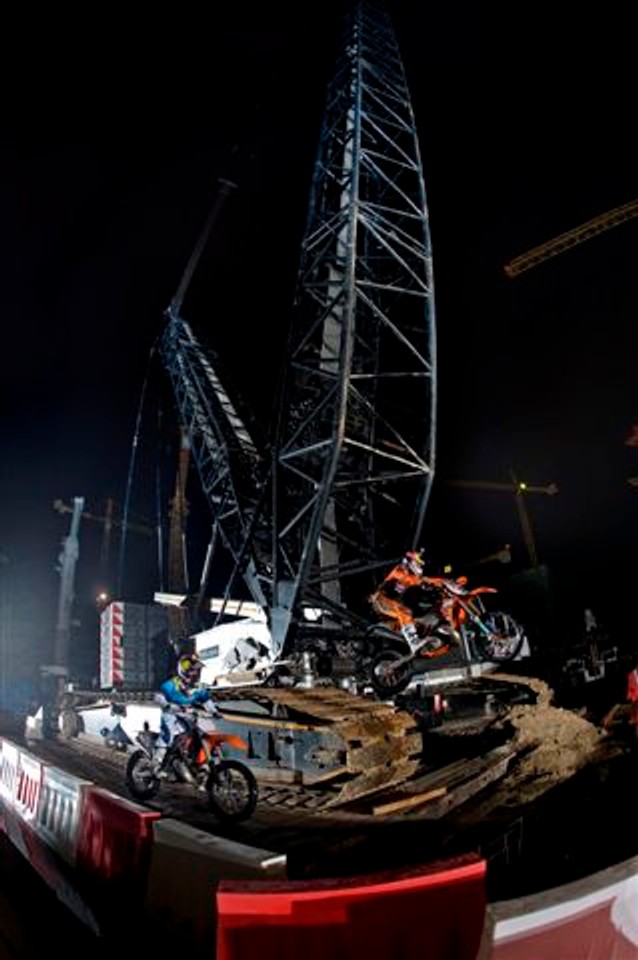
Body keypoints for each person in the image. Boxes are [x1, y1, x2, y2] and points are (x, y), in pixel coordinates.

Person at [369, 550, 441, 647]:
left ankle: (426, 631)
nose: (421, 568)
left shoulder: (413, 574)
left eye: (421, 566)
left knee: (427, 606)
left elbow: (430, 580)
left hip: (394, 600)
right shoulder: (399, 571)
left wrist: (444, 583)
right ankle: (413, 642)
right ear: (411, 562)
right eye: (419, 565)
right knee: (405, 610)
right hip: (382, 601)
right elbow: (410, 580)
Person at [157, 653, 219, 755]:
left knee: (200, 733)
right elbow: (159, 697)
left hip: (189, 717)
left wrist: (214, 711)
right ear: (182, 670)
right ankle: (157, 761)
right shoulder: (171, 684)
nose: (195, 673)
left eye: (197, 670)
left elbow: (206, 700)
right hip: (173, 716)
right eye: (192, 670)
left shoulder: (197, 687)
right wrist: (170, 706)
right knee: (169, 735)